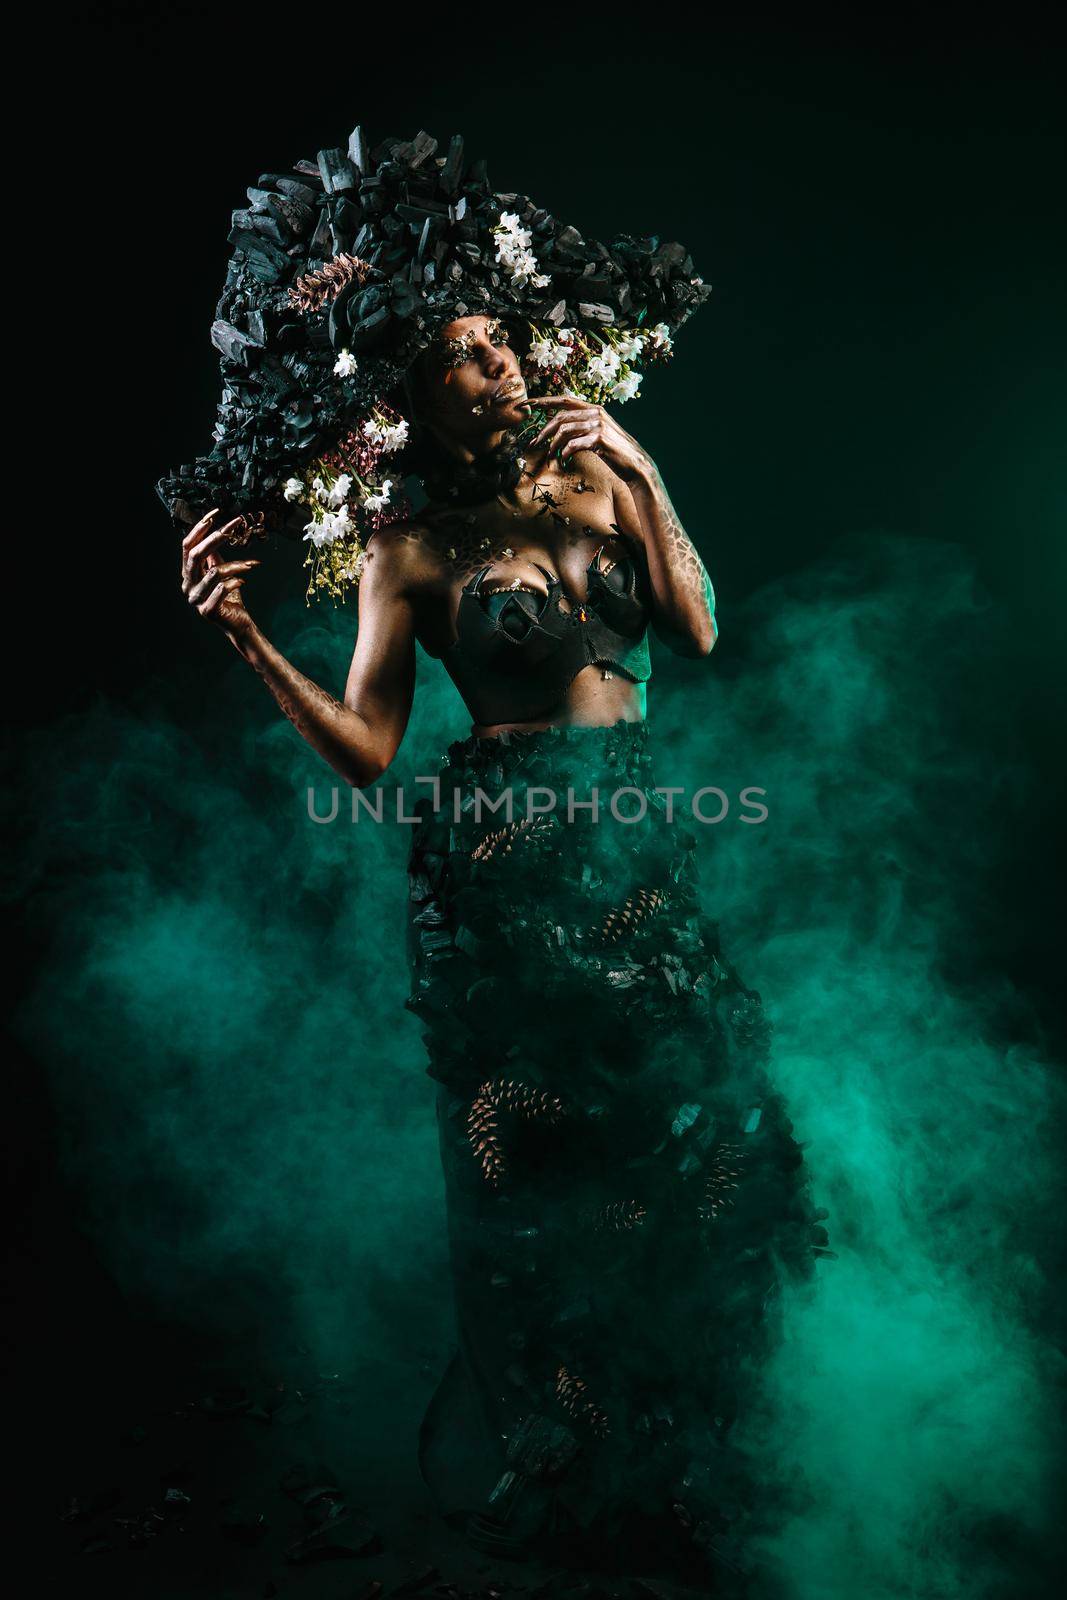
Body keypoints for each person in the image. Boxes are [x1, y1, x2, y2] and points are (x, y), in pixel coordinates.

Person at [166, 127, 828, 1587]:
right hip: (510, 883)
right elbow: (370, 751)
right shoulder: (410, 552)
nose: (502, 367)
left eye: (500, 341)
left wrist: (641, 467)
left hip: (643, 855)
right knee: (544, 1180)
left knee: (712, 1134)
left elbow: (700, 632)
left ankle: (706, 1442)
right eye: (464, 358)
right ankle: (574, 1458)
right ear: (416, 397)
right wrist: (249, 640)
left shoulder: (597, 477)